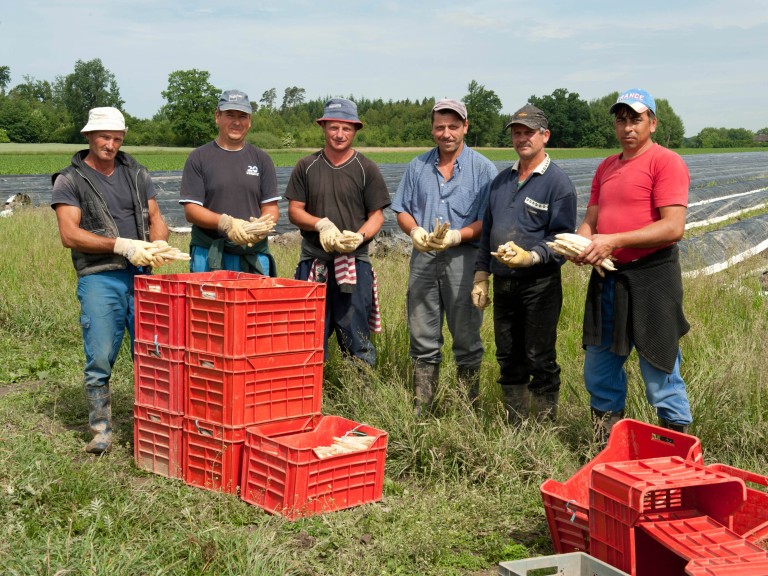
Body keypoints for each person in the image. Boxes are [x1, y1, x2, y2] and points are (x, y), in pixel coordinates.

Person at [570, 88, 693, 442]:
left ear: (652, 123)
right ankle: (607, 447)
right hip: (608, 276)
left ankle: (675, 449)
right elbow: (592, 218)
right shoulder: (607, 166)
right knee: (600, 365)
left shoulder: (665, 162)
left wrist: (615, 240)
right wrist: (581, 243)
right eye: (621, 120)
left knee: (659, 366)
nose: (627, 127)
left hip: (652, 276)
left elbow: (673, 227)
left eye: (636, 119)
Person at [51, 107, 169, 454]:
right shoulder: (70, 180)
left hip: (141, 276)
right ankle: (100, 429)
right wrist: (120, 244)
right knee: (101, 354)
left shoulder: (136, 172)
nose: (111, 144)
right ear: (89, 136)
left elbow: (156, 216)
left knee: (153, 352)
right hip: (100, 277)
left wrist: (158, 240)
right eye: (105, 137)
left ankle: (155, 424)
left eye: (117, 138)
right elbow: (69, 234)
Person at [391, 99, 497, 415]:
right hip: (424, 259)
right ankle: (423, 409)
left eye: (453, 126)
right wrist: (414, 233)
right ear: (432, 129)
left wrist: (456, 235)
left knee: (466, 338)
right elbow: (402, 210)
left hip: (464, 261)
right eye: (440, 126)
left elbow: (487, 221)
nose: (446, 133)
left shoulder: (483, 169)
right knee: (422, 336)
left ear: (465, 127)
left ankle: (468, 410)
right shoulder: (417, 167)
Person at [472, 104, 577, 423]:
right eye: (517, 133)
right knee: (507, 354)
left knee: (539, 355)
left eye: (528, 132)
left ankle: (545, 427)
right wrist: (481, 276)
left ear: (545, 136)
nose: (521, 138)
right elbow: (487, 230)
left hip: (539, 285)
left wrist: (530, 256)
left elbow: (562, 241)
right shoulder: (501, 181)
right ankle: (515, 425)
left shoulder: (558, 184)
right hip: (504, 284)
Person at [285, 98, 390, 365]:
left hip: (354, 264)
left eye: (346, 128)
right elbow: (295, 210)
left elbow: (377, 215)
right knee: (309, 334)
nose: (339, 134)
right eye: (333, 127)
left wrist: (360, 237)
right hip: (314, 262)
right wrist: (320, 224)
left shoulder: (366, 168)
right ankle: (308, 393)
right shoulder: (306, 166)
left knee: (356, 335)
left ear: (355, 130)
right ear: (323, 127)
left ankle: (359, 391)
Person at [180, 89, 279, 275]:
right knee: (207, 305)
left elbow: (271, 208)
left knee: (254, 305)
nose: (236, 122)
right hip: (209, 252)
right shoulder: (198, 158)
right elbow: (191, 211)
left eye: (242, 116)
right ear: (218, 116)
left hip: (252, 253)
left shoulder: (262, 159)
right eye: (230, 115)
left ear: (249, 121)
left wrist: (257, 228)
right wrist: (226, 223)